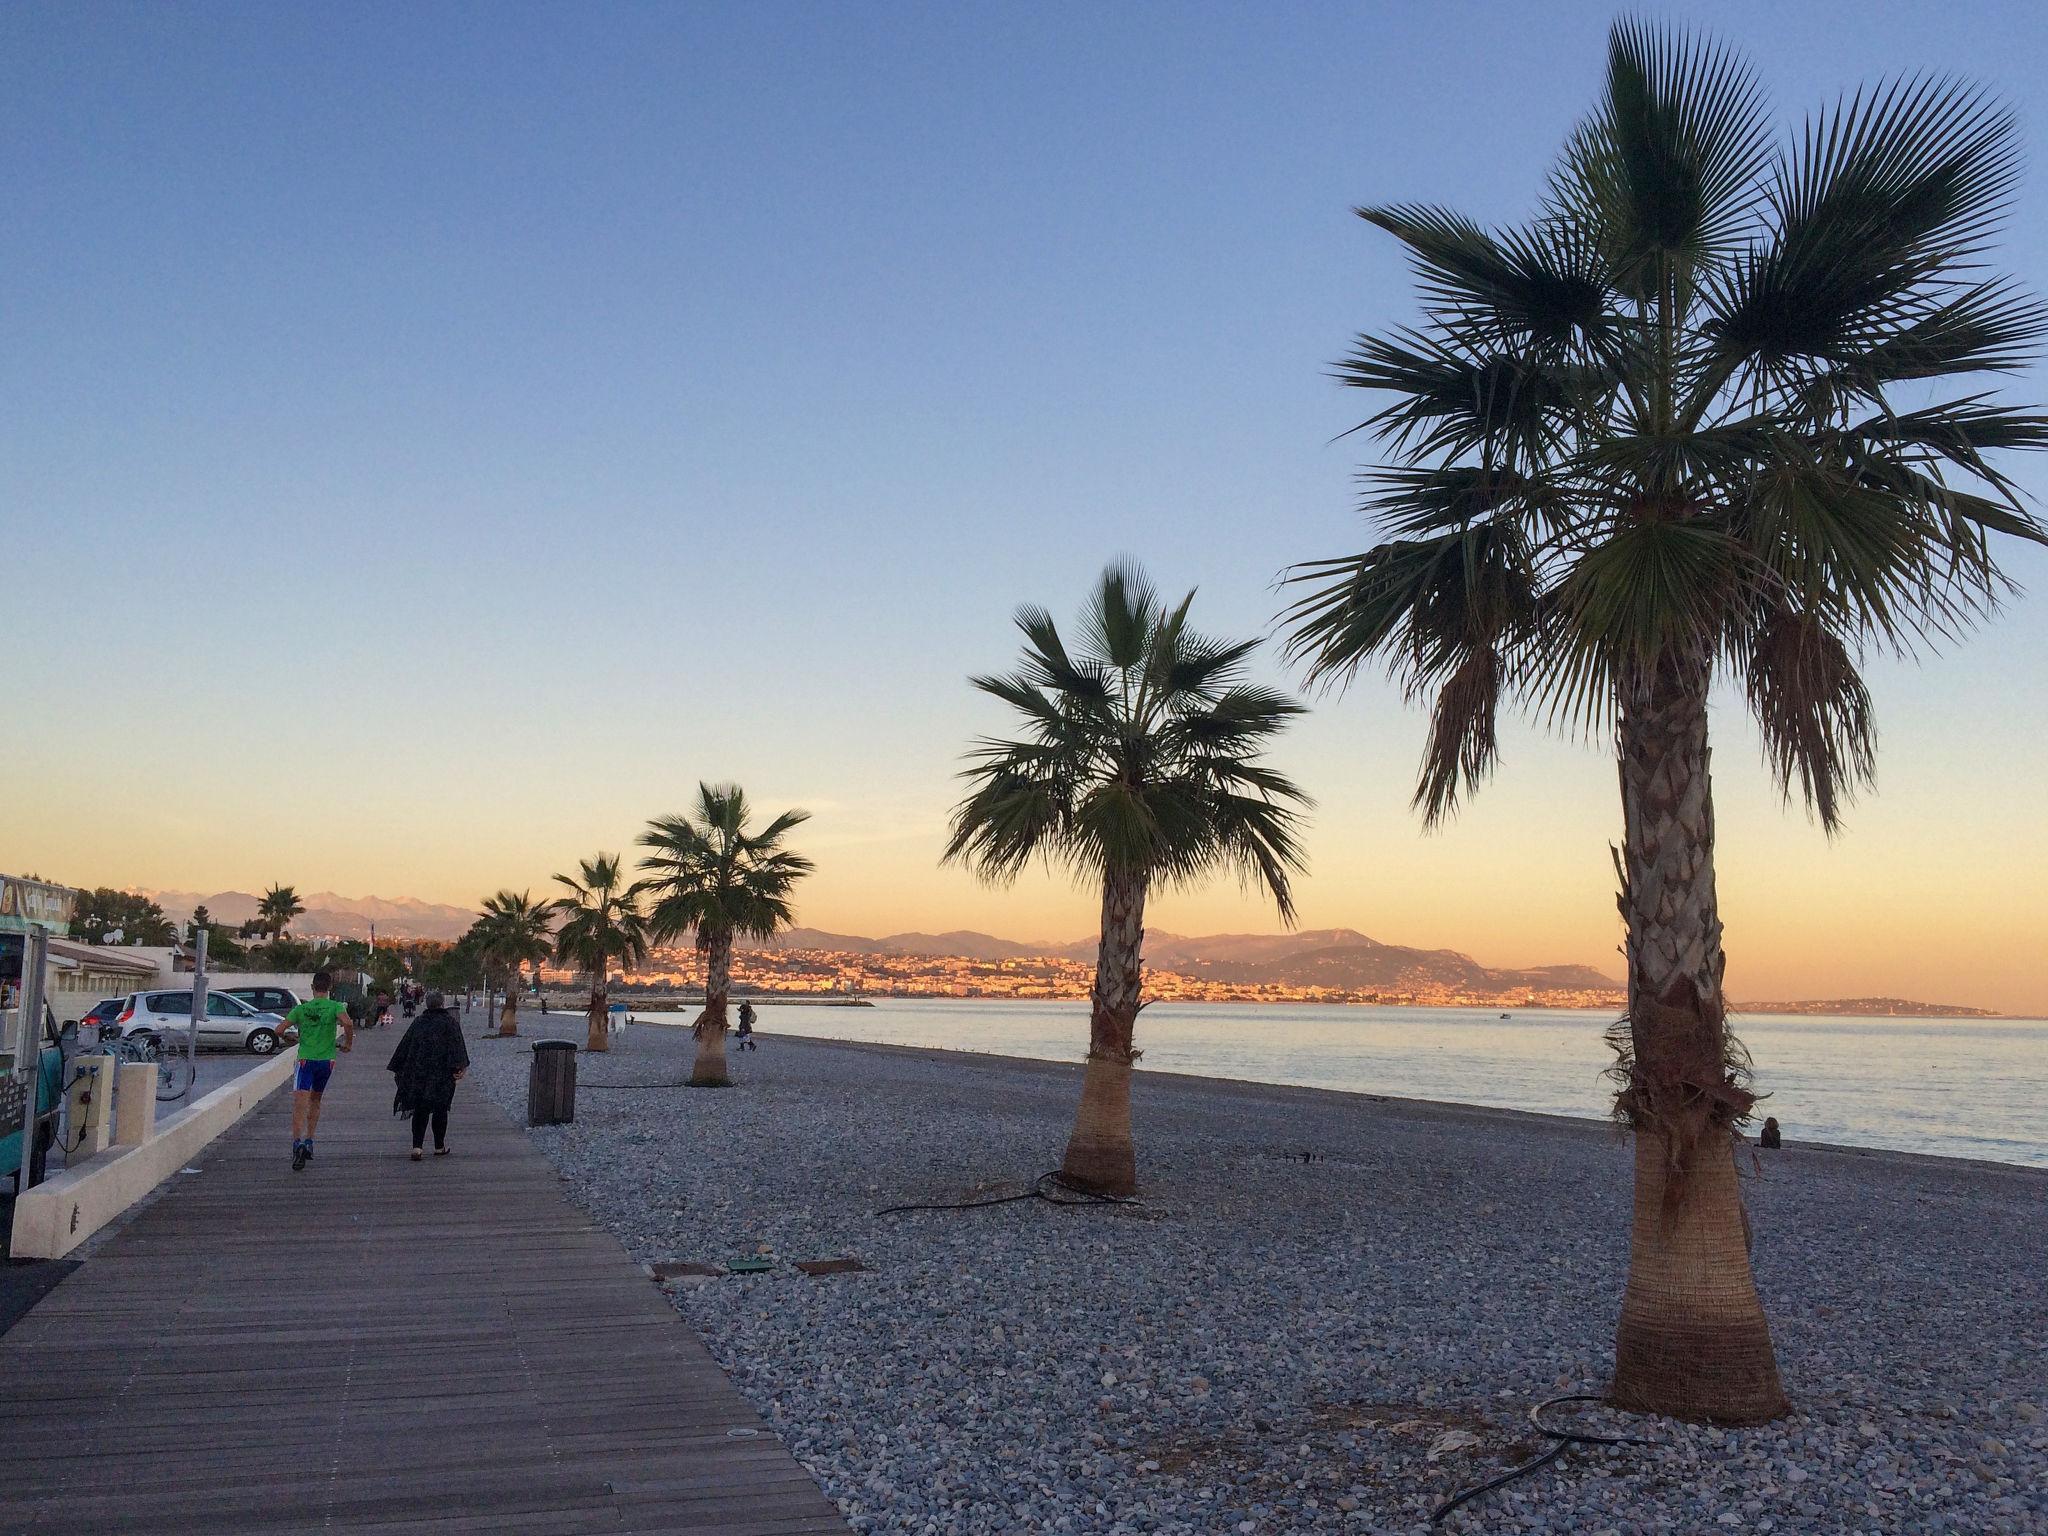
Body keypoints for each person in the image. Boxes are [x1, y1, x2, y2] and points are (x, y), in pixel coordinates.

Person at [282, 969, 353, 1171]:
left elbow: (279, 1029)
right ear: (330, 987)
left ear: (312, 988)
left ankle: (298, 1144)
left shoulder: (302, 1009)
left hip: (305, 1061)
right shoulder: (335, 1006)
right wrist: (348, 1044)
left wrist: (291, 1038)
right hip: (326, 1061)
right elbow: (347, 1022)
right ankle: (310, 1140)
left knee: (299, 1104)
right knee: (316, 1100)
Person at [387, 990, 469, 1161]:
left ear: (426, 1004)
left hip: (419, 1073)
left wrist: (400, 1069)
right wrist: (460, 1068)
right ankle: (439, 1146)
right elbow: (457, 1047)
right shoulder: (450, 1022)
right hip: (443, 1074)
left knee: (420, 1110)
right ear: (442, 1004)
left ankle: (417, 1147)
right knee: (441, 1109)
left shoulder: (419, 1022)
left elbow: (405, 1047)